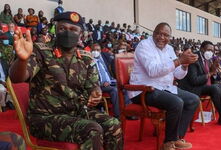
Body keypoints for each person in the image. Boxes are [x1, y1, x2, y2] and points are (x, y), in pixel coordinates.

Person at [9, 11, 123, 150]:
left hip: (76, 113)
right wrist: (22, 59)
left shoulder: (86, 57)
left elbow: (93, 86)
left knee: (113, 124)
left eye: (73, 29)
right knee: (92, 129)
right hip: (45, 119)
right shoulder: (41, 51)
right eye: (63, 28)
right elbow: (17, 78)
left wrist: (96, 92)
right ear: (56, 29)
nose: (68, 33)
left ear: (81, 35)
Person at [129, 22, 199, 150]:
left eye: (166, 35)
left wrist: (184, 65)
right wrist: (179, 61)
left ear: (170, 37)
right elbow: (153, 71)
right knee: (176, 102)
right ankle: (168, 143)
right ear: (153, 33)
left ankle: (177, 138)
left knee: (193, 99)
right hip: (143, 90)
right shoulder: (144, 45)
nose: (161, 37)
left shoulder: (170, 49)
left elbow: (178, 74)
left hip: (164, 88)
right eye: (159, 33)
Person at [178, 41, 221, 126]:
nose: (210, 52)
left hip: (202, 85)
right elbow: (194, 80)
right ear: (202, 49)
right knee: (215, 88)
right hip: (191, 88)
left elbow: (212, 74)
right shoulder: (194, 59)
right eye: (208, 50)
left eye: (212, 51)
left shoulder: (207, 59)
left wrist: (214, 69)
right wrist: (210, 73)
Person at [92, 43, 130, 118]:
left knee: (127, 87)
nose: (96, 52)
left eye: (98, 50)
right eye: (94, 50)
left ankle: (128, 112)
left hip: (111, 81)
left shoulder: (104, 57)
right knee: (114, 90)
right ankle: (118, 115)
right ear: (91, 50)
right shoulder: (89, 60)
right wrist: (101, 83)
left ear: (101, 51)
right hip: (100, 84)